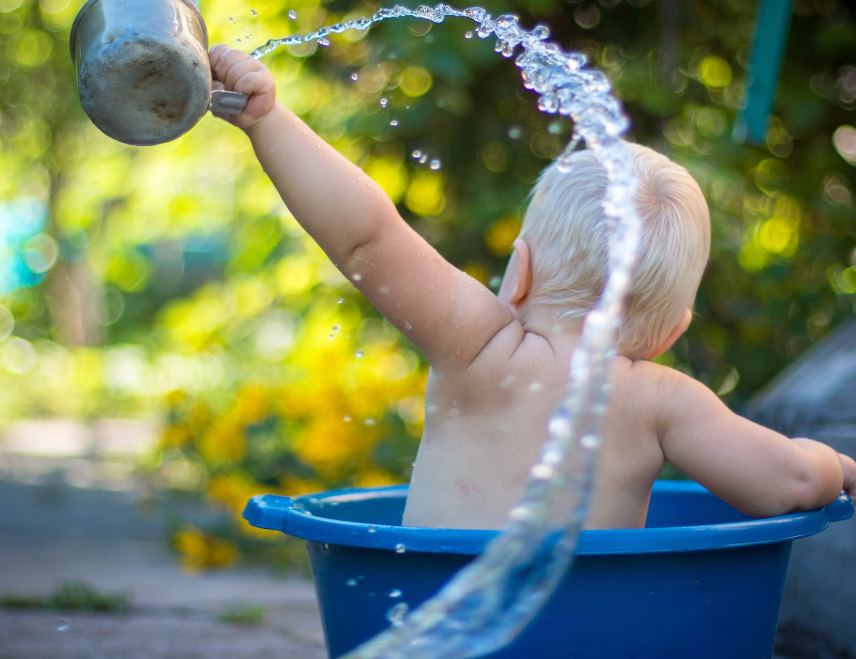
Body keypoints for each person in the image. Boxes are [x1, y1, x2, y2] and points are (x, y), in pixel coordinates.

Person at [208, 45, 856, 531]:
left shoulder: (477, 347)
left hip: (439, 620)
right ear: (672, 331)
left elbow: (368, 239)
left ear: (517, 272)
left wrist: (269, 119)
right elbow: (790, 483)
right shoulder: (663, 401)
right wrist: (837, 466)